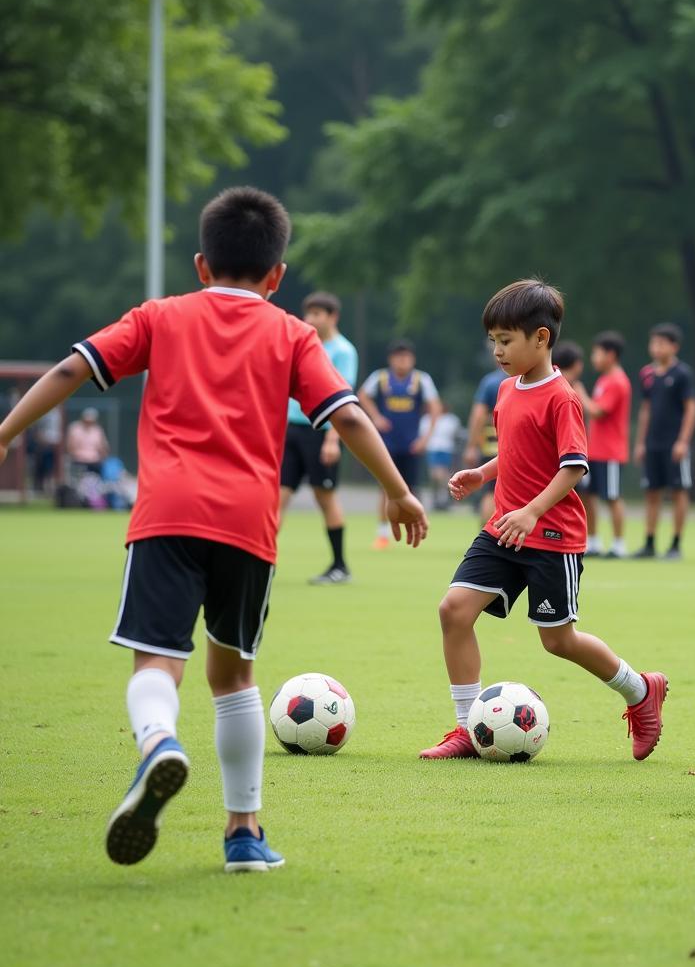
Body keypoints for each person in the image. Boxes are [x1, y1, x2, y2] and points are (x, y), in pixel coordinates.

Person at [0, 187, 428, 871]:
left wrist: (5, 434)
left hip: (167, 513)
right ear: (277, 275)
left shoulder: (161, 316)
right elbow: (345, 416)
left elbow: (73, 367)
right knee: (233, 677)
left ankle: (159, 743)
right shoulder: (293, 333)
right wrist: (398, 491)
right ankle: (243, 836)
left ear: (202, 264)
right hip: (248, 524)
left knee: (156, 660)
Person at [419, 279, 668, 761]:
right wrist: (483, 473)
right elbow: (515, 451)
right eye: (492, 340)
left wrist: (534, 511)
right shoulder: (508, 390)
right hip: (504, 529)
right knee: (453, 610)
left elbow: (573, 465)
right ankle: (468, 729)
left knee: (558, 641)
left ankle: (640, 690)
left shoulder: (563, 397)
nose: (497, 351)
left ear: (541, 339)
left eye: (506, 340)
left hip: (552, 535)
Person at [278, 291, 359, 584]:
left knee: (324, 497)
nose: (310, 319)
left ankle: (339, 566)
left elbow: (343, 397)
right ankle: (262, 561)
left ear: (332, 317)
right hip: (292, 430)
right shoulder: (304, 345)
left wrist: (332, 440)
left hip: (321, 430)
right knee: (278, 496)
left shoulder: (343, 351)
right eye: (307, 313)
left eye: (316, 314)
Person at [359, 340, 442, 548]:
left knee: (412, 489)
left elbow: (435, 408)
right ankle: (382, 533)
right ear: (391, 359)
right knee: (386, 488)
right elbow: (362, 396)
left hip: (412, 444)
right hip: (386, 444)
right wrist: (376, 417)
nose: (402, 361)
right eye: (398, 357)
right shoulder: (380, 378)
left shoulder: (421, 380)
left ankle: (415, 530)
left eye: (406, 357)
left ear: (412, 359)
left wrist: (425, 438)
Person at [633, 323, 695, 560]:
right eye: (653, 343)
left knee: (679, 492)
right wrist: (640, 442)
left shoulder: (683, 374)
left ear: (674, 346)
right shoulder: (647, 374)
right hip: (652, 444)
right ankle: (649, 543)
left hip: (674, 444)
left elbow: (691, 408)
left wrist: (683, 441)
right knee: (651, 492)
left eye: (661, 343)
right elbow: (645, 409)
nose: (656, 348)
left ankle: (675, 544)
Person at [576, 331, 631, 557]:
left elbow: (597, 411)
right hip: (595, 451)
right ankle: (594, 541)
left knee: (612, 496)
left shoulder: (617, 381)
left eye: (597, 353)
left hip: (610, 452)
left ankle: (619, 544)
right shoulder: (604, 379)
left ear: (611, 354)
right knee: (589, 496)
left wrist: (580, 393)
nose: (594, 358)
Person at [464, 364, 506, 525]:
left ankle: (487, 535)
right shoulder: (529, 378)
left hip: (491, 445)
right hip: (516, 447)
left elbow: (478, 415)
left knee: (491, 492)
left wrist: (472, 446)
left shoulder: (491, 382)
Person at [421, 403, 461, 510]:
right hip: (432, 448)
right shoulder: (426, 419)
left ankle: (443, 495)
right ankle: (440, 494)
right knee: (434, 475)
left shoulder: (451, 420)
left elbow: (453, 433)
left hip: (446, 449)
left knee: (442, 473)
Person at [66, 407, 109, 475]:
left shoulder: (98, 430)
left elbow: (102, 446)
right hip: (78, 461)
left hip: (95, 461)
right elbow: (70, 445)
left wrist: (103, 457)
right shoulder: (75, 428)